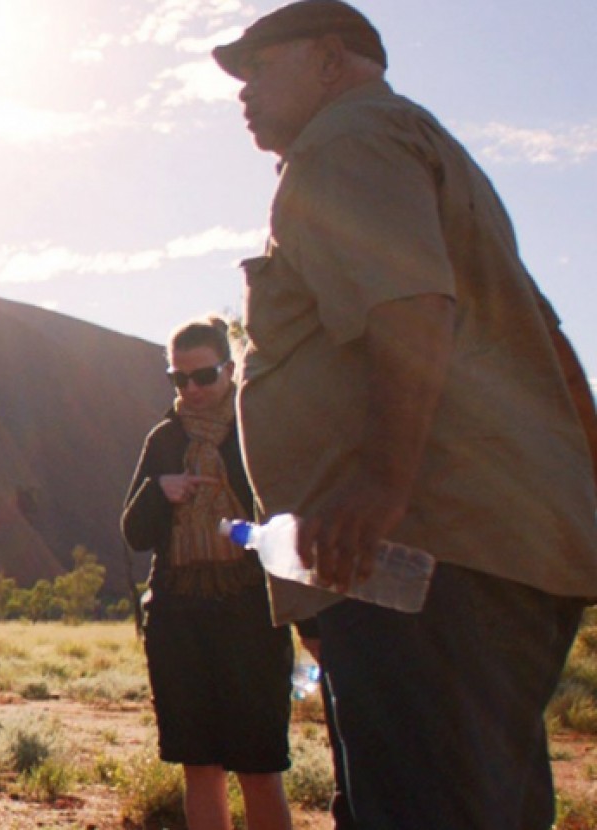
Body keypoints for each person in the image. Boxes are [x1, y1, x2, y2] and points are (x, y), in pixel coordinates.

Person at [215, 2, 597, 825]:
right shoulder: (411, 145)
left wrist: (380, 486)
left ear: (329, 59)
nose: (243, 91)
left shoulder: (347, 141)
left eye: (260, 65)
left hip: (427, 558)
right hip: (475, 555)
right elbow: (551, 343)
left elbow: (410, 307)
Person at [121, 316, 292, 830]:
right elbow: (134, 532)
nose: (192, 389)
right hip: (179, 617)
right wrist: (160, 490)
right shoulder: (165, 439)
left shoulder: (256, 430)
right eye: (180, 379)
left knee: (260, 765)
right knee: (200, 764)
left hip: (251, 617)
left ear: (230, 368)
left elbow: (288, 521)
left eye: (204, 376)